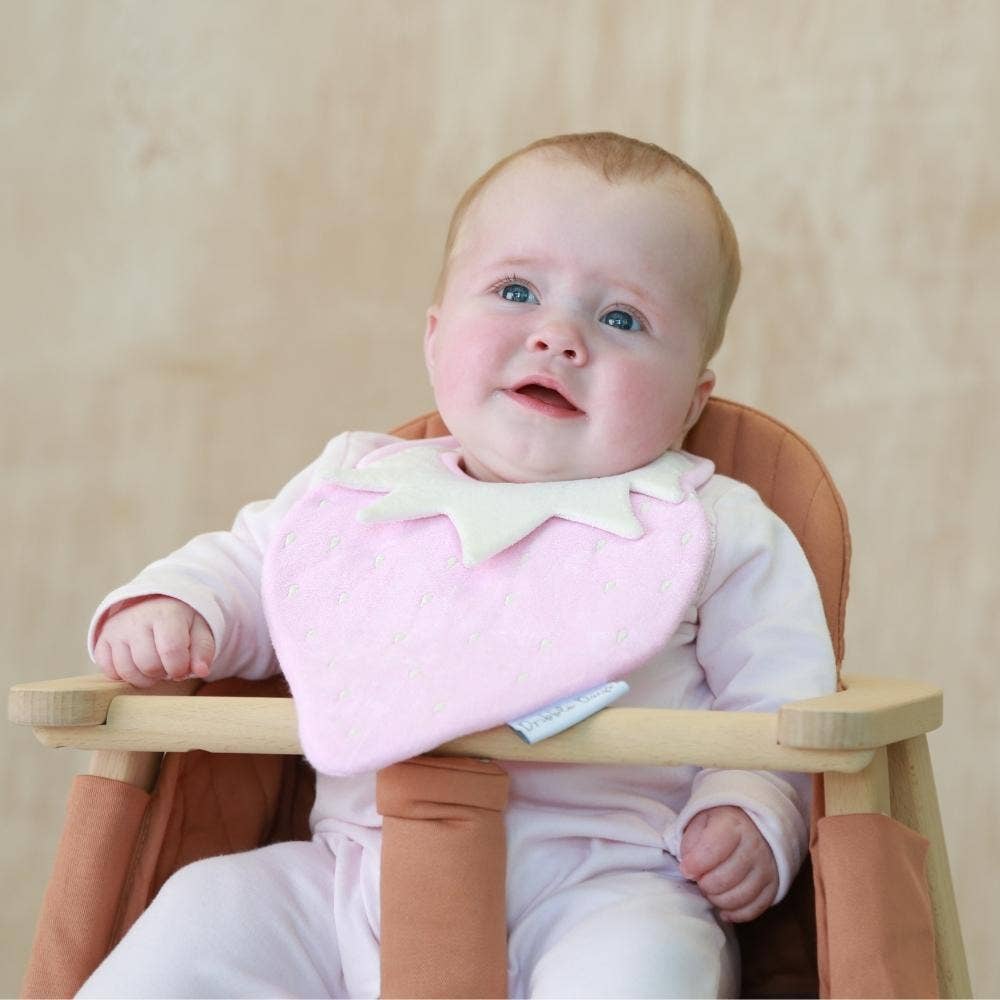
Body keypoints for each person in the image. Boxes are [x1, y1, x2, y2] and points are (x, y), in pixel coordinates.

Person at [79, 132, 836, 999]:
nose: (558, 337)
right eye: (516, 291)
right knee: (207, 909)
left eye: (621, 318)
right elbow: (262, 568)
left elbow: (782, 699)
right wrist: (185, 605)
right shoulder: (357, 489)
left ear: (692, 400)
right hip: (356, 870)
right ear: (436, 338)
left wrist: (751, 806)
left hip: (605, 878)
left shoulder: (709, 523)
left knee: (650, 967)